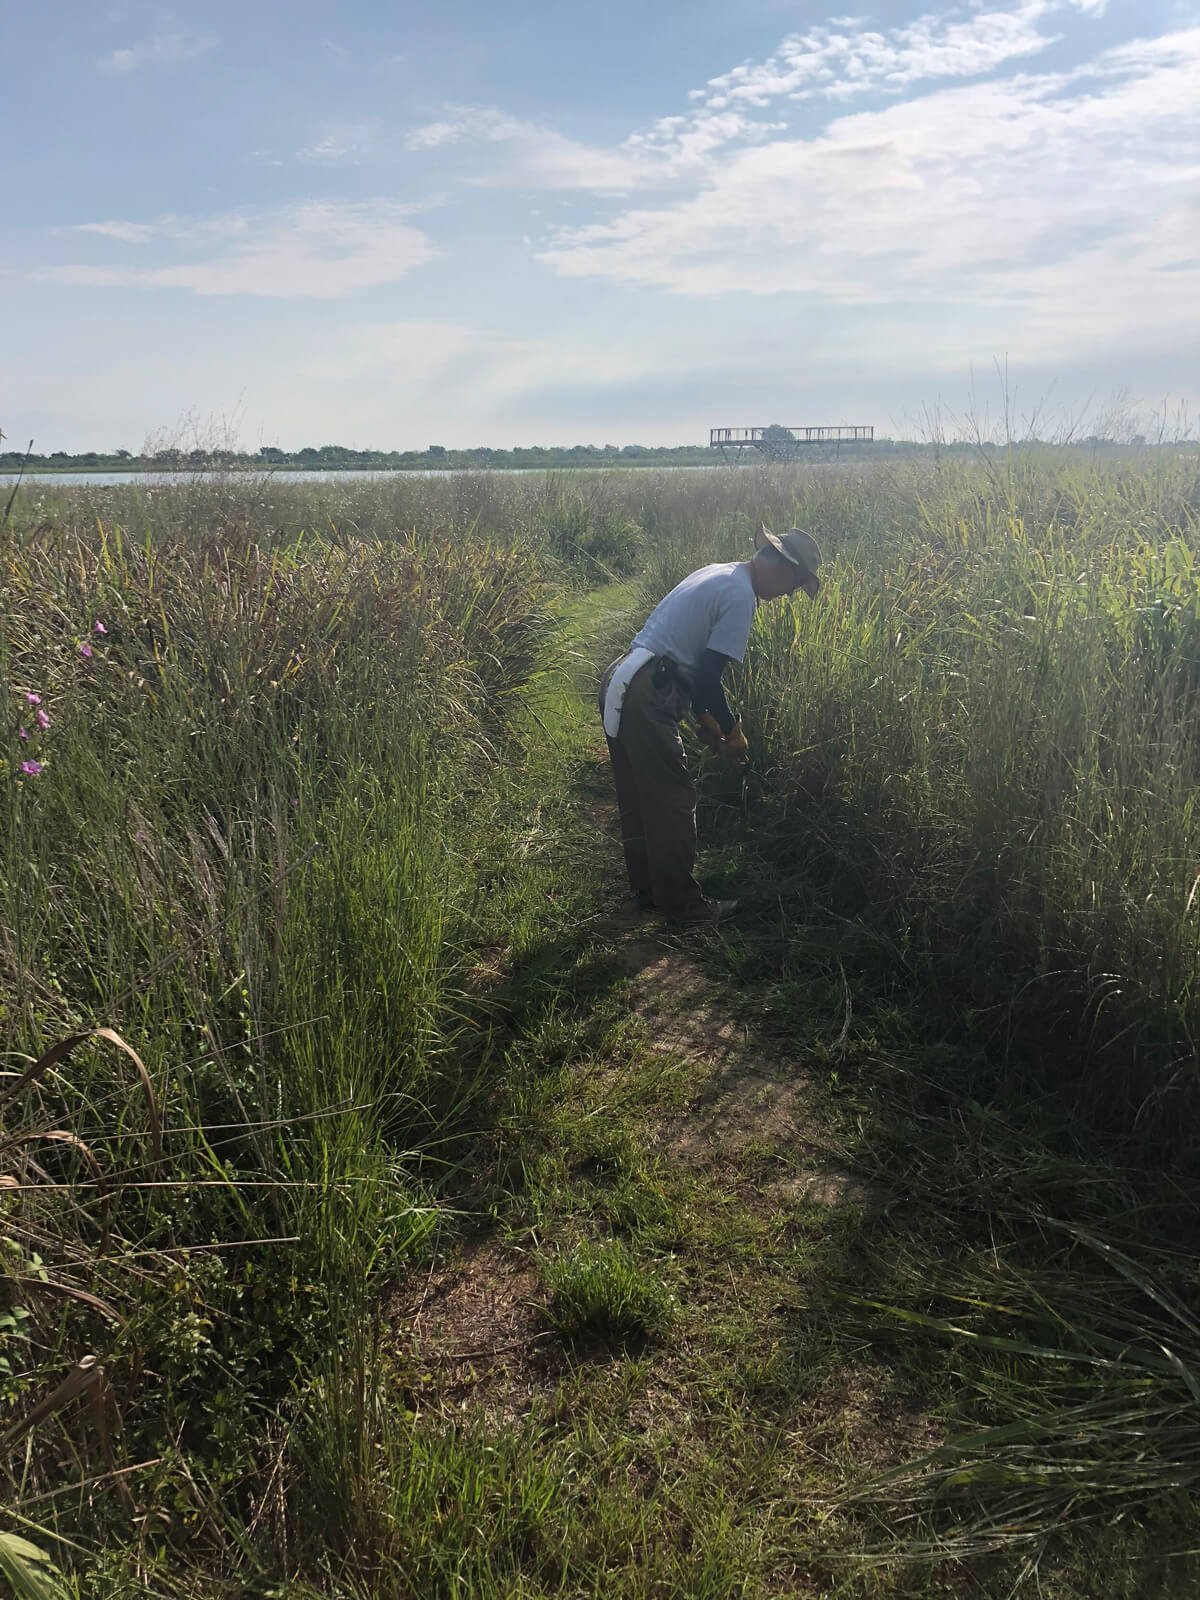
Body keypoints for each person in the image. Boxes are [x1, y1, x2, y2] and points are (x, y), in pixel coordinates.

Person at [599, 524, 822, 927]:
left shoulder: (719, 571)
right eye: (794, 585)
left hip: (623, 679)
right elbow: (707, 679)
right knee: (673, 798)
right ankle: (685, 908)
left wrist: (704, 718)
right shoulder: (740, 596)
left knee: (639, 794)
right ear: (783, 568)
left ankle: (650, 890)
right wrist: (732, 732)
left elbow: (694, 675)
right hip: (648, 692)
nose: (788, 595)